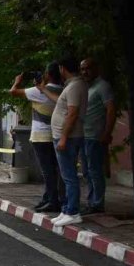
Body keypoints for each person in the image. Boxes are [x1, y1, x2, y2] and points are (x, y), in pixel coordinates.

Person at [10, 64, 63, 213]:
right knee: (54, 168)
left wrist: (17, 81)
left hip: (41, 136)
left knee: (47, 170)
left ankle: (52, 200)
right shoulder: (62, 90)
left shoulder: (38, 92)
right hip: (56, 134)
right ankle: (49, 198)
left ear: (48, 75)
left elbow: (13, 92)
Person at [45, 56, 88, 227]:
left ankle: (73, 211)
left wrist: (63, 137)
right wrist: (43, 90)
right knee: (66, 175)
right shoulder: (72, 86)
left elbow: (72, 113)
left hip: (68, 138)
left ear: (63, 68)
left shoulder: (75, 86)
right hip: (66, 137)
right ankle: (67, 209)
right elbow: (62, 103)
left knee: (69, 176)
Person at [80, 59, 116, 214]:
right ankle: (91, 201)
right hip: (83, 136)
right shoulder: (87, 88)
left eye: (88, 68)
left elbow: (111, 110)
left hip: (95, 136)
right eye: (82, 69)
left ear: (96, 68)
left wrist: (107, 133)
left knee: (95, 171)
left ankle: (97, 203)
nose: (84, 72)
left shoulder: (103, 86)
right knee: (87, 171)